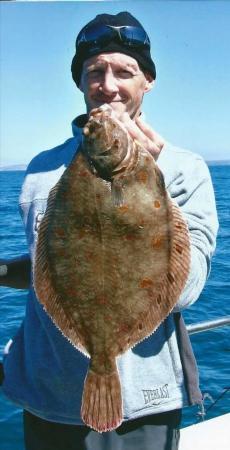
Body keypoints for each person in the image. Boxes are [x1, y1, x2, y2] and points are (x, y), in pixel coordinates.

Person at [0, 11, 219, 450]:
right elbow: (57, 267)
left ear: (148, 81)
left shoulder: (185, 169)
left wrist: (151, 182)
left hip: (144, 402)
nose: (109, 84)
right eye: (95, 71)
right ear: (80, 81)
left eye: (125, 71)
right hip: (45, 394)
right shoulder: (42, 168)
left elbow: (187, 288)